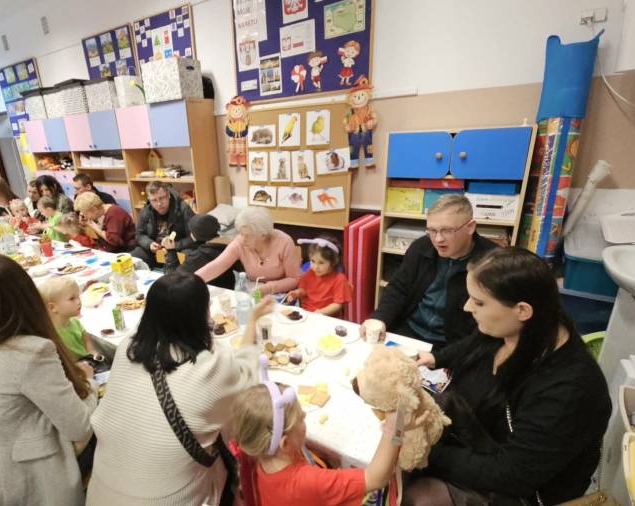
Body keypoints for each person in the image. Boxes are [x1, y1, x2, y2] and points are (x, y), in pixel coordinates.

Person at [405, 248, 611, 506]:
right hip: (470, 444)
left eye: (479, 302)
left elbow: (511, 475)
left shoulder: (570, 389)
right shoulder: (511, 329)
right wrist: (437, 358)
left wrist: (426, 453)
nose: (467, 307)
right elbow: (472, 345)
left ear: (522, 310)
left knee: (414, 494)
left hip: (516, 490)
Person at [87, 271, 270, 505]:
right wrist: (253, 322)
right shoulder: (210, 364)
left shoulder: (128, 347)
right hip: (171, 498)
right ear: (200, 315)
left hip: (102, 491)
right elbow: (247, 381)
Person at [0, 254, 97, 505]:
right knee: (116, 420)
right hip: (30, 485)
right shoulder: (31, 351)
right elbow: (80, 427)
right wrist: (90, 384)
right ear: (27, 296)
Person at [232, 381, 405, 506]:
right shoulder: (309, 482)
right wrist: (394, 424)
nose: (305, 415)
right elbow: (376, 478)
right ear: (285, 443)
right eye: (300, 418)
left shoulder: (256, 454)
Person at [364, 195, 497, 349]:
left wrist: (441, 357)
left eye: (448, 230)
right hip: (408, 331)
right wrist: (380, 318)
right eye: (432, 230)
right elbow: (398, 288)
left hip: (451, 345)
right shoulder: (421, 247)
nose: (438, 239)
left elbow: (487, 326)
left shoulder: (492, 263)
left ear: (470, 227)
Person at [196, 207, 302, 295]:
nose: (243, 239)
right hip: (253, 291)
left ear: (263, 234)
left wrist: (268, 288)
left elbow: (294, 279)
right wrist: (193, 281)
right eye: (241, 233)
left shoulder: (284, 242)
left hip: (281, 293)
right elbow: (217, 265)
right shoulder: (240, 242)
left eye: (248, 235)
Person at [130, 182, 196, 267]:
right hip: (156, 251)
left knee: (189, 256)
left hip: (177, 250)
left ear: (168, 195)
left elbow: (194, 237)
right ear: (149, 199)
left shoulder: (183, 208)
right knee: (134, 256)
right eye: (154, 200)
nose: (159, 204)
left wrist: (175, 245)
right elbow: (139, 235)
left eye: (161, 198)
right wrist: (149, 244)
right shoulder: (146, 210)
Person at [37, 277, 100, 361]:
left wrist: (91, 351)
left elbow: (85, 338)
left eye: (78, 296)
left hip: (88, 361)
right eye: (72, 299)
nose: (79, 301)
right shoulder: (51, 333)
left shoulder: (75, 321)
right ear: (52, 307)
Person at [164, 214, 233, 290]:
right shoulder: (227, 247)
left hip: (206, 293)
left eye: (191, 231)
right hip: (227, 289)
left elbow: (173, 280)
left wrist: (170, 251)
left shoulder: (199, 256)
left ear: (196, 235)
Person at [286, 237, 351, 317]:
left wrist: (321, 312)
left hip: (327, 317)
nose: (316, 267)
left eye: (321, 263)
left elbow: (338, 304)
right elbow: (304, 291)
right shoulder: (310, 273)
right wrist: (297, 293)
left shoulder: (340, 279)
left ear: (333, 262)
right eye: (313, 261)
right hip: (306, 315)